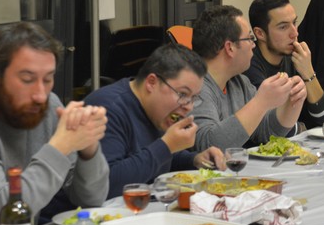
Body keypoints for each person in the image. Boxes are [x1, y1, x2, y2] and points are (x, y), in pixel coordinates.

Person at [0, 22, 109, 225]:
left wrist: (87, 147)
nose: (41, 95)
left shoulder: (47, 105)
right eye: (27, 79)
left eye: (48, 79)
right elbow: (2, 219)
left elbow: (91, 199)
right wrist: (60, 147)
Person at [83, 43, 226, 199]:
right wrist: (167, 146)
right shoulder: (107, 109)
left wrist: (194, 159)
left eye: (194, 98)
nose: (189, 106)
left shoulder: (157, 110)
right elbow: (106, 185)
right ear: (152, 82)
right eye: (183, 94)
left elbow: (155, 157)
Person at [191, 5, 307, 151]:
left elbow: (266, 132)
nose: (253, 45)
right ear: (230, 48)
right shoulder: (194, 86)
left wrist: (293, 102)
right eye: (250, 38)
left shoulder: (239, 82)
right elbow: (208, 145)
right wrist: (261, 102)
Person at [245, 0, 324, 129]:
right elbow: (272, 124)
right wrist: (301, 128)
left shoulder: (295, 58)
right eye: (283, 27)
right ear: (260, 33)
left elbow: (323, 117)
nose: (295, 33)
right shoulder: (248, 63)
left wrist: (308, 72)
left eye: (294, 23)